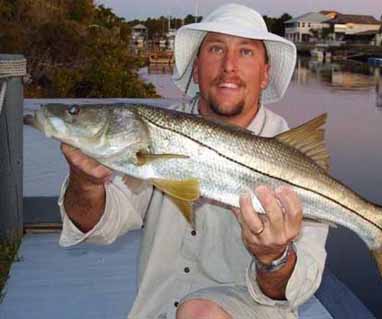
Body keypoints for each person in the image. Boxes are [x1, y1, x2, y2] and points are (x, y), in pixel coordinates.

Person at [58, 4, 329, 319]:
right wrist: (87, 184)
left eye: (246, 52)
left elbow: (298, 286)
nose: (229, 66)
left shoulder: (296, 159)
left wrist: (274, 259)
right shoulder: (153, 132)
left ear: (265, 73)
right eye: (216, 48)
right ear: (197, 67)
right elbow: (102, 224)